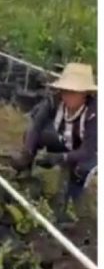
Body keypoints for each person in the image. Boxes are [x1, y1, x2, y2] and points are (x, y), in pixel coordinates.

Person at [11, 63, 97, 208]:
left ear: (85, 93)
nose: (67, 96)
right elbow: (36, 127)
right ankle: (25, 173)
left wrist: (60, 158)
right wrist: (27, 152)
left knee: (80, 171)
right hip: (67, 140)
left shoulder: (94, 113)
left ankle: (70, 203)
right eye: (64, 91)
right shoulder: (54, 101)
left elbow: (88, 150)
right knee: (32, 138)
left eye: (73, 92)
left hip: (92, 150)